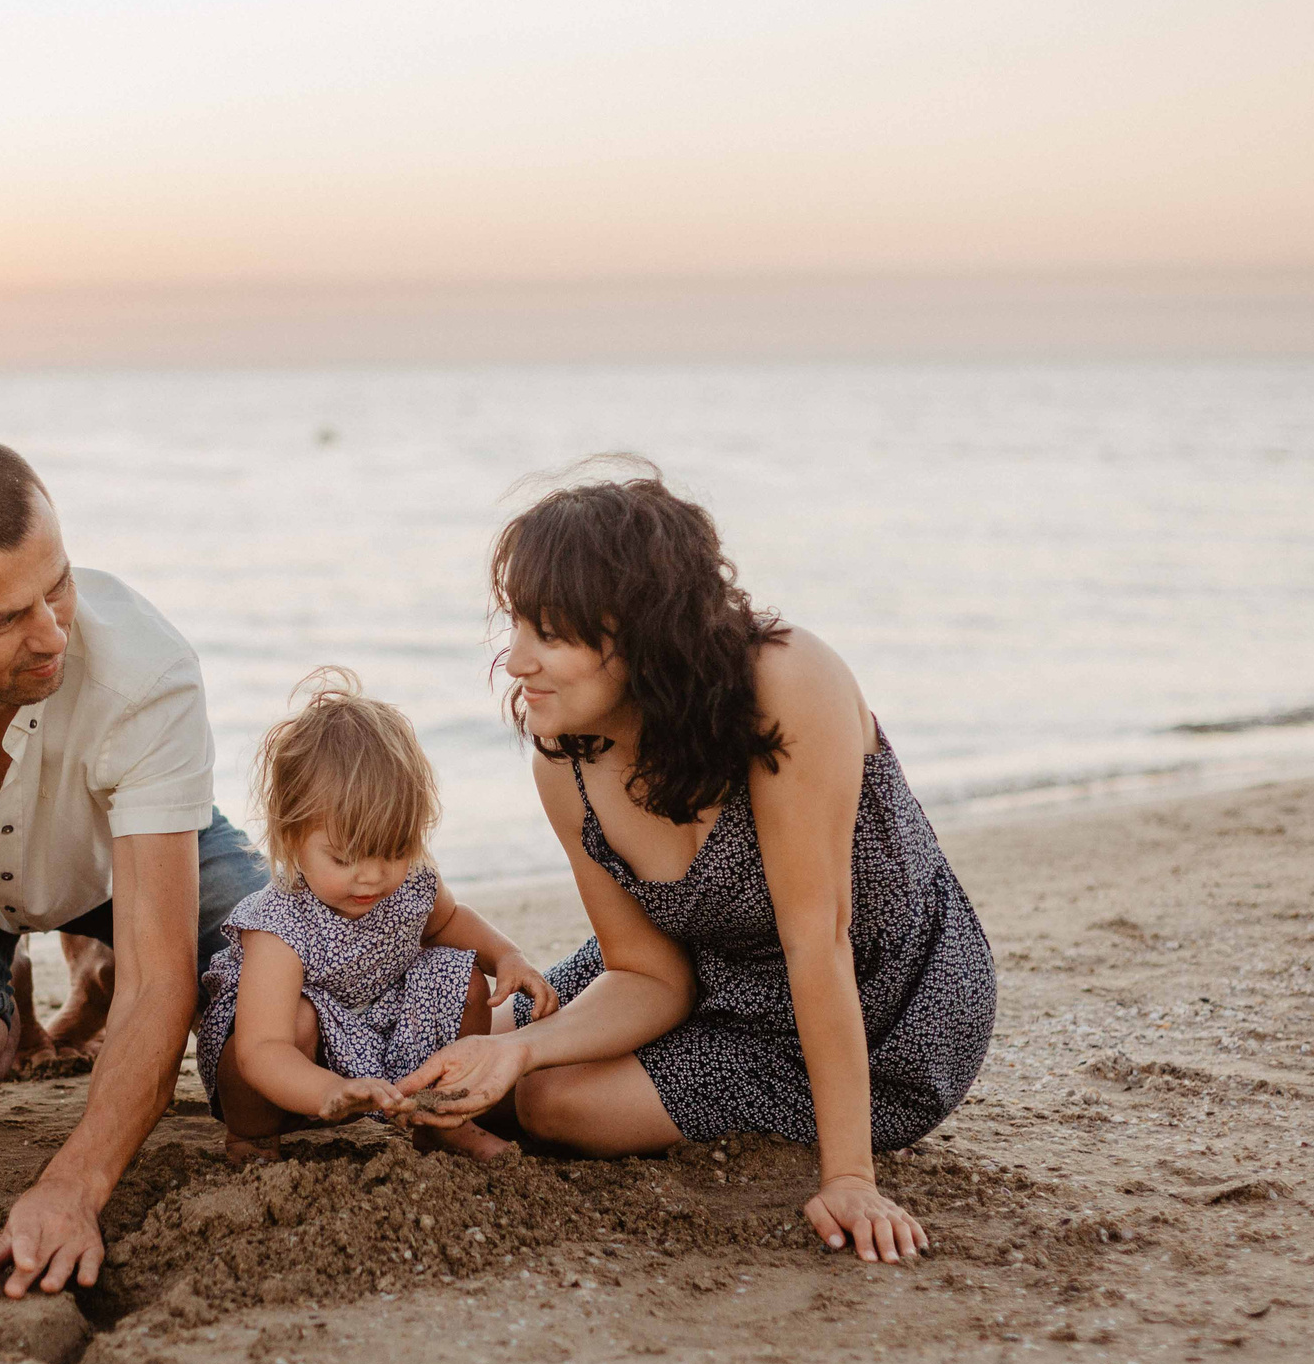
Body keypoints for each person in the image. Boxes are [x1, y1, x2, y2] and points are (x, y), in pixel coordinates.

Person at [398, 464, 995, 1262]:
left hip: (883, 1009)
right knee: (451, 1048)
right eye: (516, 625)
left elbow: (818, 943)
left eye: (550, 632)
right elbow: (648, 973)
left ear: (641, 630)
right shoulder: (564, 763)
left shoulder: (784, 683)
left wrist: (850, 1175)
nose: (515, 662)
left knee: (550, 1102)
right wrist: (517, 1047)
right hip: (703, 970)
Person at [0, 440, 268, 1297]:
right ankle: (17, 989)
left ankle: (92, 953)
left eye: (58, 584)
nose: (51, 632)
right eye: (4, 620)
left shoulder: (145, 672)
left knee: (278, 1015)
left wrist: (73, 1187)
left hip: (130, 863)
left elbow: (163, 984)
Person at [196, 668, 559, 1163]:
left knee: (466, 980)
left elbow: (451, 922)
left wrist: (508, 956)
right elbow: (262, 1050)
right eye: (344, 859)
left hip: (379, 1026)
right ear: (291, 837)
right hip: (286, 1057)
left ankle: (443, 1119)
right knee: (297, 1023)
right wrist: (326, 1090)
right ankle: (253, 1137)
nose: (370, 877)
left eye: (392, 850)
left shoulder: (408, 884)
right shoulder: (278, 924)